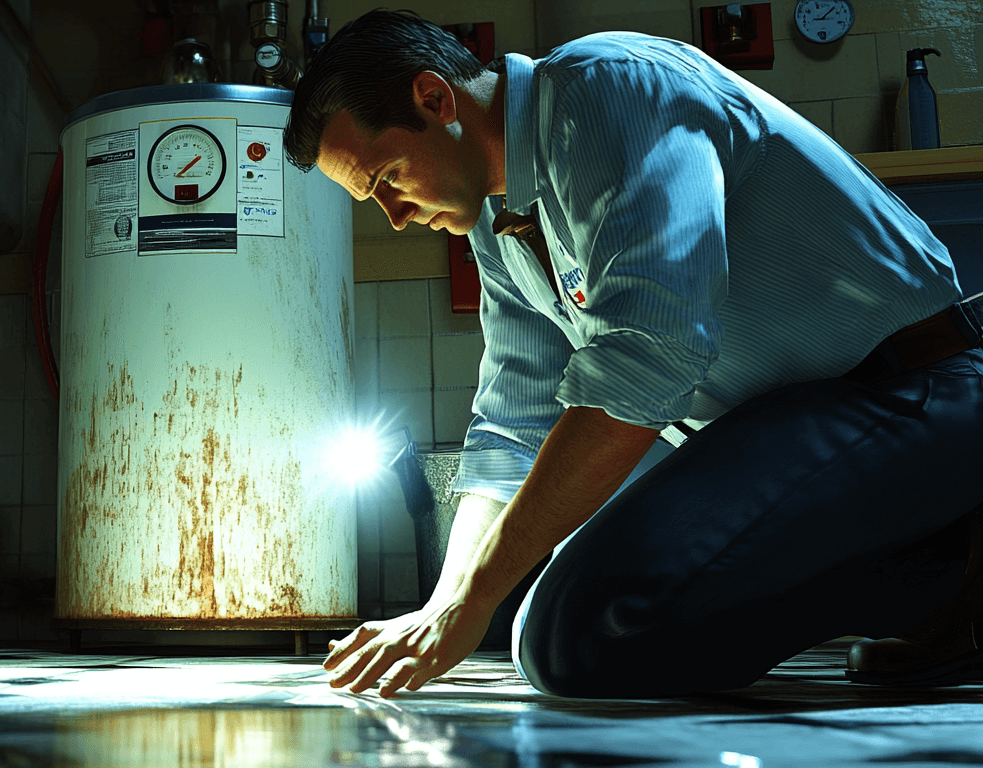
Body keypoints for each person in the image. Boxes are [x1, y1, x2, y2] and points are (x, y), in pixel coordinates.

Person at [282, 10, 983, 699]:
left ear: (435, 100)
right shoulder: (497, 223)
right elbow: (512, 424)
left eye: (387, 178)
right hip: (782, 428)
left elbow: (650, 356)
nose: (395, 217)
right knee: (523, 624)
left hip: (914, 391)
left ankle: (953, 569)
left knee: (586, 632)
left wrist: (475, 596)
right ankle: (917, 570)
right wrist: (448, 601)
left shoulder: (609, 88)